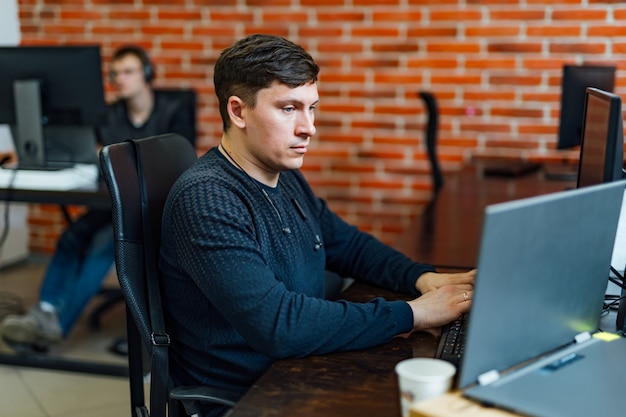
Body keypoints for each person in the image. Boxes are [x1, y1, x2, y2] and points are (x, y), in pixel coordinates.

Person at [159, 34, 475, 417]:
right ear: (238, 112)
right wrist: (415, 313)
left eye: (312, 108)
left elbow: (346, 244)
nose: (308, 128)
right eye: (289, 109)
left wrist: (422, 278)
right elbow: (279, 325)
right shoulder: (207, 199)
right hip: (251, 396)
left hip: (296, 367)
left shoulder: (283, 173)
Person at [0, 45, 195, 349]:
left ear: (146, 75)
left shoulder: (173, 112)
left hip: (151, 210)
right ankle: (45, 312)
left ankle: (55, 329)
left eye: (128, 72)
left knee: (104, 247)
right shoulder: (109, 115)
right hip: (113, 203)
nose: (120, 79)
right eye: (114, 74)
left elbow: (177, 163)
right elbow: (101, 159)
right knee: (72, 237)